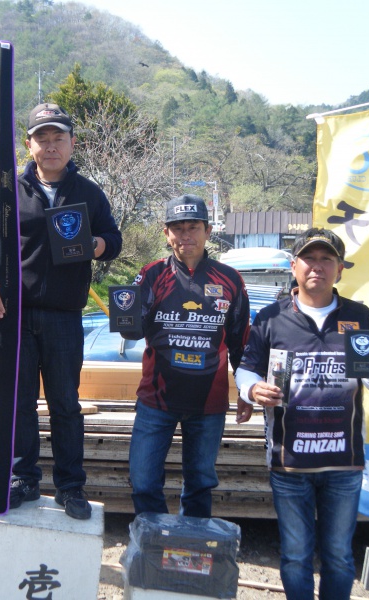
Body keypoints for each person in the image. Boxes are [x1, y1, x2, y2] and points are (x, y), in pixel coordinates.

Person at [0, 103, 122, 520]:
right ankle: (24, 479)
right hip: (13, 316)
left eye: (59, 138)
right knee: (19, 403)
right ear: (29, 144)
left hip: (63, 316)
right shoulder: (7, 192)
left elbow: (113, 237)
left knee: (65, 404)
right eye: (43, 138)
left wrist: (94, 245)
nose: (51, 146)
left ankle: (71, 486)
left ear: (72, 144)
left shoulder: (89, 193)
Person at [234, 228, 369, 600]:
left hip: (344, 463)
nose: (317, 267)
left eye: (327, 260)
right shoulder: (272, 317)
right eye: (310, 259)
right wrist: (251, 388)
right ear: (294, 266)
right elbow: (246, 368)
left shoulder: (357, 316)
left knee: (339, 557)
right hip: (289, 462)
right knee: (294, 557)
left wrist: (365, 366)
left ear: (340, 268)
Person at [121, 195, 250, 518]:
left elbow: (241, 343)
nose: (186, 236)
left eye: (193, 227)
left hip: (209, 404)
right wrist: (125, 313)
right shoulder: (150, 275)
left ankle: (191, 554)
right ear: (166, 234)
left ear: (208, 230)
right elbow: (130, 333)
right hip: (156, 401)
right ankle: (153, 547)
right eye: (177, 229)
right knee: (143, 480)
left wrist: (247, 392)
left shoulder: (230, 279)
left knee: (199, 484)